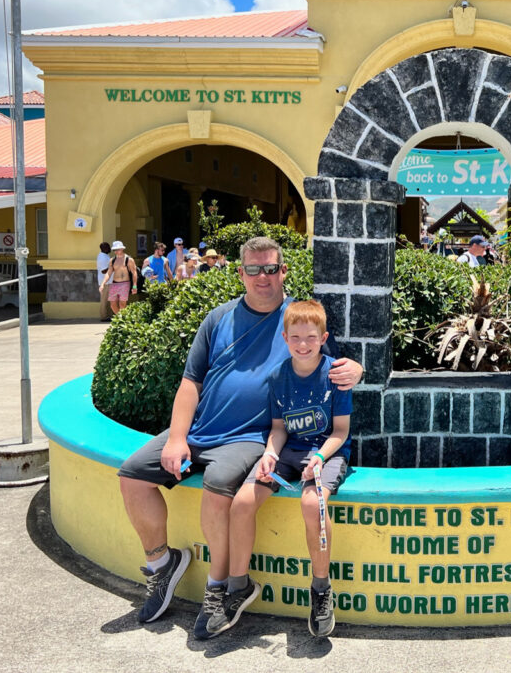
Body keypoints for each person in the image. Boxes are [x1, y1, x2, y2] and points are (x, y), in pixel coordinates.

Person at [116, 237, 363, 638]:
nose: (262, 277)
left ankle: (222, 587)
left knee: (219, 486)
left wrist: (359, 371)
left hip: (250, 438)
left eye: (270, 269)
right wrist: (178, 437)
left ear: (283, 271)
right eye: (253, 269)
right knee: (132, 475)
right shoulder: (218, 319)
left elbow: (330, 366)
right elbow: (189, 383)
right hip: (199, 430)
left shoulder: (296, 321)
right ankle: (162, 566)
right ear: (240, 273)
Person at [217, 299, 352, 640]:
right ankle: (238, 585)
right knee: (243, 501)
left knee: (312, 505)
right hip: (288, 453)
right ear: (285, 338)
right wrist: (269, 454)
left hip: (326, 453)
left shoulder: (334, 374)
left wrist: (320, 458)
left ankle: (321, 590)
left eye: (310, 337)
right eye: (295, 337)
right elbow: (278, 428)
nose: (302, 344)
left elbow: (340, 432)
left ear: (323, 338)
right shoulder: (279, 376)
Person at [99, 240, 138, 314]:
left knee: (122, 304)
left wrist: (134, 286)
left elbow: (134, 272)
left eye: (118, 249)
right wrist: (103, 284)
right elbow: (108, 273)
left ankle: (122, 320)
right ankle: (120, 318)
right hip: (114, 283)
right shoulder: (112, 260)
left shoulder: (129, 259)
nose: (116, 251)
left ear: (122, 249)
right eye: (114, 250)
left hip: (125, 283)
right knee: (112, 305)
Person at [97, 242, 112, 322]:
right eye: (108, 247)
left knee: (108, 300)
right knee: (104, 300)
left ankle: (108, 315)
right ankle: (103, 316)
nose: (109, 248)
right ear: (103, 248)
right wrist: (112, 266)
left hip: (108, 281)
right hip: (104, 282)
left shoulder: (105, 255)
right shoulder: (102, 257)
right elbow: (103, 271)